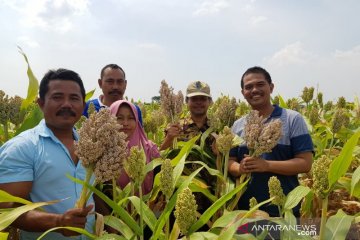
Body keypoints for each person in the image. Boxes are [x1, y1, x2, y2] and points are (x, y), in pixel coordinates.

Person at [0, 69, 94, 239]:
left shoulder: (91, 145)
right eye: (57, 97)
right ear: (41, 103)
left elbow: (93, 192)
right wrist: (58, 222)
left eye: (74, 98)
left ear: (83, 105)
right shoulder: (23, 147)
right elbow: (7, 209)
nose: (67, 104)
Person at [228, 66, 313, 217]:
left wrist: (266, 165)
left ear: (271, 87)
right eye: (248, 87)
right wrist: (239, 168)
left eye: (260, 84)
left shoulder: (292, 119)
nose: (254, 90)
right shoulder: (238, 125)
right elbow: (230, 162)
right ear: (243, 93)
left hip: (284, 209)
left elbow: (305, 163)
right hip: (244, 211)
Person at [160, 81, 216, 215]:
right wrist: (169, 139)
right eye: (194, 99)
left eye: (203, 99)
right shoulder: (175, 126)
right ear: (186, 101)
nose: (198, 102)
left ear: (210, 101)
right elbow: (160, 155)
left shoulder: (217, 127)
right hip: (180, 197)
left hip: (211, 196)